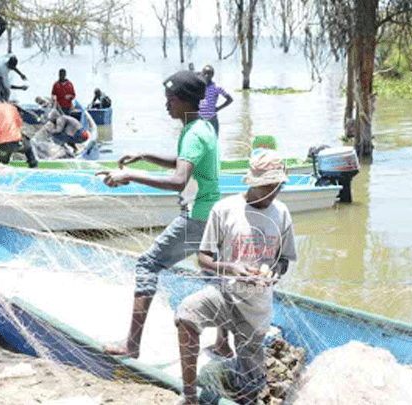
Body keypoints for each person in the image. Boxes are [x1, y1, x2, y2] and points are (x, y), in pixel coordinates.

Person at [98, 70, 219, 358]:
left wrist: (129, 174)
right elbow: (183, 162)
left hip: (198, 217)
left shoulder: (192, 134)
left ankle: (132, 345)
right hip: (213, 213)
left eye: (171, 99)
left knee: (147, 264)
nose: (167, 104)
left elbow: (179, 180)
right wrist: (144, 156)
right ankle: (224, 343)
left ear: (187, 101)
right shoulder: (202, 127)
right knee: (213, 276)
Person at [175, 150, 296, 405]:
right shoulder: (225, 209)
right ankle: (188, 396)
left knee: (251, 387)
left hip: (257, 306)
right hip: (225, 296)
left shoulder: (282, 213)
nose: (274, 194)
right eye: (268, 187)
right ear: (252, 183)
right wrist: (232, 268)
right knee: (187, 314)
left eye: (278, 188)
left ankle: (244, 378)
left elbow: (284, 259)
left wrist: (276, 270)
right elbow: (204, 258)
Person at [0, 95, 38, 168]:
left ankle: (3, 162)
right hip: (18, 144)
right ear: (1, 101)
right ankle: (33, 164)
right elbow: (19, 124)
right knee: (28, 147)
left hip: (3, 146)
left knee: (2, 164)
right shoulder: (12, 108)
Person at [199, 65, 232, 136]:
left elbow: (230, 99)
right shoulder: (198, 86)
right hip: (200, 120)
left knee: (213, 142)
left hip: (212, 119)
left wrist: (218, 108)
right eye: (204, 73)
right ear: (201, 74)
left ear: (212, 75)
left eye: (209, 74)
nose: (206, 75)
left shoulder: (216, 87)